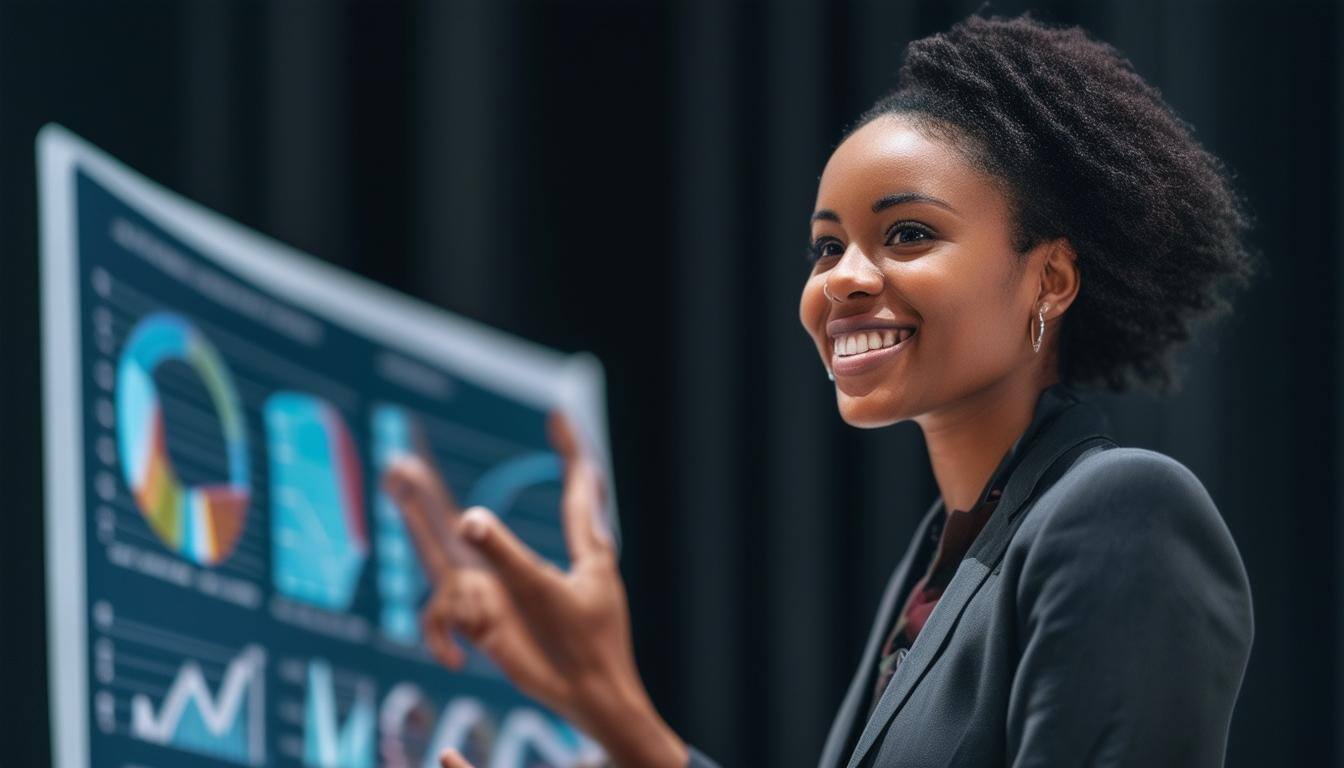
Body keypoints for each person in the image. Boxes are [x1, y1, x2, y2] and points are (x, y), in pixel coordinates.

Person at [382, 11, 1257, 768]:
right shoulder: (934, 571)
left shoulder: (1123, 512)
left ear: (1051, 279)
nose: (843, 279)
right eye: (826, 246)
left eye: (907, 233)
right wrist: (614, 710)